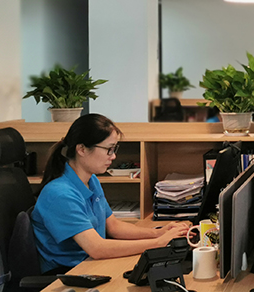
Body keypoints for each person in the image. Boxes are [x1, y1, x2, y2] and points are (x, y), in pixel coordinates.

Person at [32, 114, 189, 274]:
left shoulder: (91, 180)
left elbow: (113, 226)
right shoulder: (60, 194)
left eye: (114, 149)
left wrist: (158, 233)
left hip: (90, 264)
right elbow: (97, 248)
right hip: (69, 274)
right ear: (82, 149)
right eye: (109, 149)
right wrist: (158, 243)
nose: (113, 156)